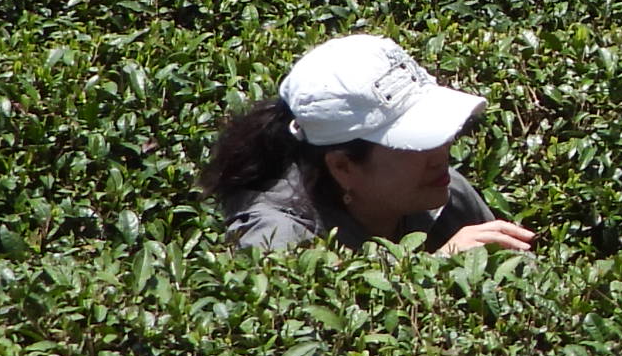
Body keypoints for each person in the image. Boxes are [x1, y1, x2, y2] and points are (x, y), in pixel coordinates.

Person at [206, 35, 537, 254]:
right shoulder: (277, 238)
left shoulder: (447, 193)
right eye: (414, 144)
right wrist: (437, 270)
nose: (440, 155)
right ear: (343, 166)